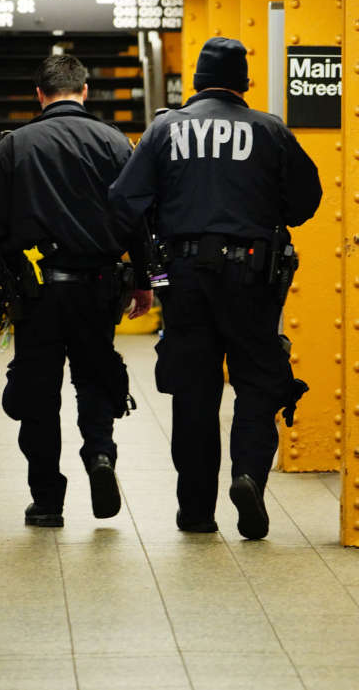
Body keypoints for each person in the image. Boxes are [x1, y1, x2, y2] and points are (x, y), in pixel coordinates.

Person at [108, 37, 322, 540]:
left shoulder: (164, 129)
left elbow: (123, 200)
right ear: (245, 82)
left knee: (194, 392)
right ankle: (247, 474)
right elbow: (304, 202)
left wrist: (154, 245)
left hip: (183, 278)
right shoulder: (270, 131)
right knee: (257, 383)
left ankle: (196, 511)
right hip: (253, 276)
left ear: (197, 82)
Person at [0, 54, 152, 528]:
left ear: (39, 94)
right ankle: (100, 458)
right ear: (84, 91)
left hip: (37, 295)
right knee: (94, 378)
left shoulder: (10, 150)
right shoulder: (116, 144)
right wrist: (147, 281)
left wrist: (10, 269)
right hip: (98, 288)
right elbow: (138, 221)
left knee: (38, 394)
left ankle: (48, 499)